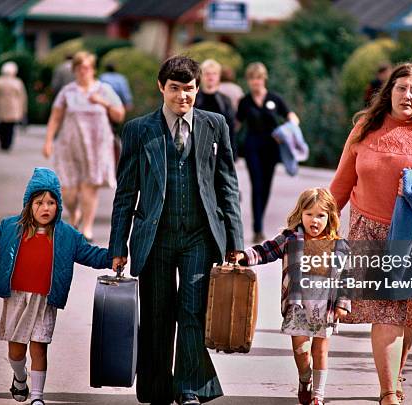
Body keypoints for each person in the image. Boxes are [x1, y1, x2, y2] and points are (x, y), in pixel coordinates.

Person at [108, 55, 244, 405]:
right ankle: (156, 388)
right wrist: (118, 245)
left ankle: (189, 388)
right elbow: (125, 191)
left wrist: (235, 241)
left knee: (192, 311)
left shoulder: (216, 125)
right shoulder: (139, 129)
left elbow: (228, 185)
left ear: (198, 89)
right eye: (175, 88)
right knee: (157, 314)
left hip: (200, 235)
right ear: (161, 87)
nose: (182, 96)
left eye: (189, 89)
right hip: (156, 237)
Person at [329, 63, 412, 405]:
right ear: (389, 91)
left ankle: (396, 375)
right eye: (402, 88)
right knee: (386, 315)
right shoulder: (365, 128)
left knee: (409, 317)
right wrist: (321, 225)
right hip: (371, 235)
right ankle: (388, 392)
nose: (408, 96)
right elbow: (342, 183)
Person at [0, 167, 111, 405]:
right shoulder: (11, 227)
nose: (45, 208)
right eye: (39, 202)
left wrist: (114, 256)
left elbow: (90, 254)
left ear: (58, 206)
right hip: (16, 298)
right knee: (16, 352)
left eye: (51, 202)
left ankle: (37, 396)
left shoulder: (66, 235)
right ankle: (20, 377)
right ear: (29, 204)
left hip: (45, 300)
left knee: (39, 348)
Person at [233, 188, 351, 405]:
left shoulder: (339, 246)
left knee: (320, 350)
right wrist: (244, 256)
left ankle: (318, 395)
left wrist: (343, 304)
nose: (314, 220)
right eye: (309, 214)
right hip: (297, 306)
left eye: (320, 215)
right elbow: (265, 250)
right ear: (300, 214)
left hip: (324, 307)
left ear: (330, 217)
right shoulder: (291, 238)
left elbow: (346, 277)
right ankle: (305, 379)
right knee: (302, 351)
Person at [42, 51, 124, 242]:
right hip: (69, 145)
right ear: (74, 70)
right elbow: (55, 117)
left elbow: (119, 115)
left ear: (93, 69)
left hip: (96, 146)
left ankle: (86, 228)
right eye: (79, 68)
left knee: (89, 187)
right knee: (68, 190)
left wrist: (102, 102)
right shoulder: (67, 91)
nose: (83, 71)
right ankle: (74, 214)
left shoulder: (104, 90)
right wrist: (48, 141)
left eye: (86, 67)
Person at [236, 62, 300, 243]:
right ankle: (258, 228)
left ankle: (259, 222)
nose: (255, 82)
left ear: (264, 78)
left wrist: (289, 130)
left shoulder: (275, 98)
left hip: (272, 147)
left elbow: (292, 116)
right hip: (252, 146)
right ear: (248, 81)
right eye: (251, 78)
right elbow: (237, 124)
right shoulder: (245, 101)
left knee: (266, 187)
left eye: (258, 78)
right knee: (257, 185)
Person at [194, 59, 237, 159]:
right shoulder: (194, 99)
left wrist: (232, 151)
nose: (211, 77)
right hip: (197, 147)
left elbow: (230, 126)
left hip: (219, 149)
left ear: (219, 76)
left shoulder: (225, 101)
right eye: (207, 73)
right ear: (201, 76)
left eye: (214, 73)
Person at [0, 61, 28, 151]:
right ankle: (8, 143)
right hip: (14, 108)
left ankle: (3, 143)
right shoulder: (17, 82)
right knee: (10, 127)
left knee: (2, 126)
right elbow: (22, 97)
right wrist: (24, 109)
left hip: (1, 108)